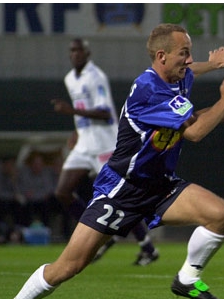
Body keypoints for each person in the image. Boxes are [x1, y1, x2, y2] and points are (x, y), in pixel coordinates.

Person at [0, 23, 224, 299]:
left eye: (189, 53)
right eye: (183, 53)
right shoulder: (148, 91)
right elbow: (195, 132)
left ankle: (187, 278)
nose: (188, 60)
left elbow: (191, 74)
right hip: (122, 188)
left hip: (160, 186)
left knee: (221, 215)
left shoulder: (179, 75)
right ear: (161, 56)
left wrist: (211, 65)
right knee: (70, 265)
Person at [50, 38, 158, 265]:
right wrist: (77, 131)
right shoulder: (70, 78)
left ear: (88, 53)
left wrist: (70, 111)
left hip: (104, 145)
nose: (75, 54)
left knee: (118, 198)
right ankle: (101, 233)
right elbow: (83, 112)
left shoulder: (95, 76)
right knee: (62, 191)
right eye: (72, 50)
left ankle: (147, 247)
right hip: (84, 145)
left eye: (79, 50)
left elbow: (105, 113)